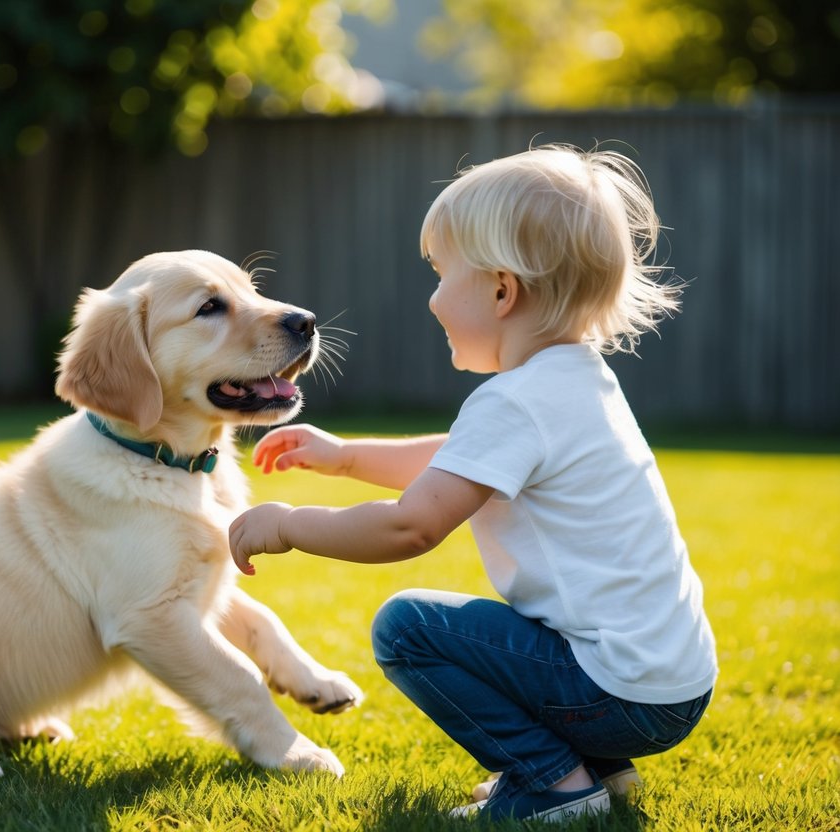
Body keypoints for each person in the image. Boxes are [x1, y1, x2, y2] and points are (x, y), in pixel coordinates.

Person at [228, 145, 718, 823]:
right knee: (516, 629)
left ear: (498, 290)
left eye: (439, 274)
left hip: (617, 691)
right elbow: (460, 460)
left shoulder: (514, 402)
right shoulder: (577, 381)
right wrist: (344, 458)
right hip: (671, 686)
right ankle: (605, 772)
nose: (430, 298)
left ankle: (555, 783)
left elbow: (412, 525)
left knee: (407, 628)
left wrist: (286, 524)